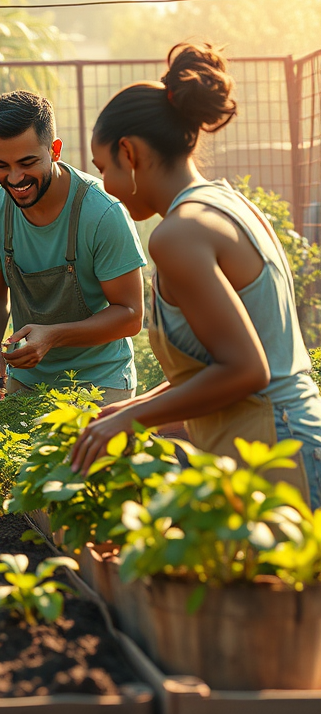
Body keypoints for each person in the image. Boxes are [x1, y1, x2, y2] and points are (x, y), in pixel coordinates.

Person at [71, 43, 321, 510]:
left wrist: (131, 422)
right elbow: (223, 360)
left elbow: (246, 370)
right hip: (296, 433)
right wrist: (129, 407)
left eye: (103, 167)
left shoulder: (177, 236)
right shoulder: (227, 204)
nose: (104, 184)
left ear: (129, 152)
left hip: (278, 447)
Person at [0, 90, 146, 404]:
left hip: (100, 383)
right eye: (1, 165)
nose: (15, 178)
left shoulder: (102, 214)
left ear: (55, 150)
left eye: (27, 163)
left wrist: (53, 336)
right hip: (26, 381)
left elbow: (131, 315)